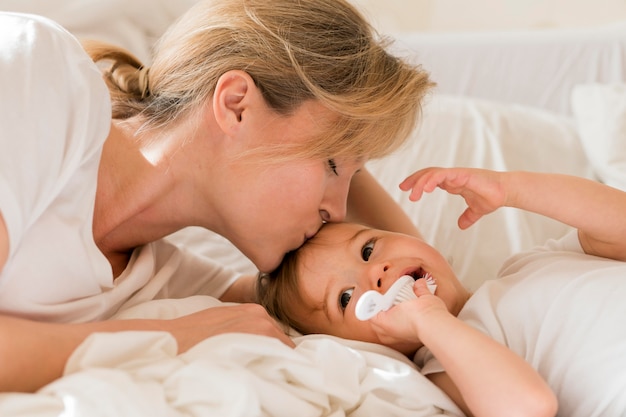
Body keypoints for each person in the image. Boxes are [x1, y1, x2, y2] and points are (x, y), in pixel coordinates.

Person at [0, 0, 434, 392]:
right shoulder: (42, 77)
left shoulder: (170, 285)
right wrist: (175, 338)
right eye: (332, 166)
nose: (337, 211)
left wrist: (351, 148)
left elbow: (419, 304)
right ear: (236, 104)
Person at [259, 167, 626, 417]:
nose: (377, 274)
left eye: (368, 249)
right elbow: (528, 407)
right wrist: (426, 318)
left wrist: (509, 188)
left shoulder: (529, 264)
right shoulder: (445, 371)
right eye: (345, 297)